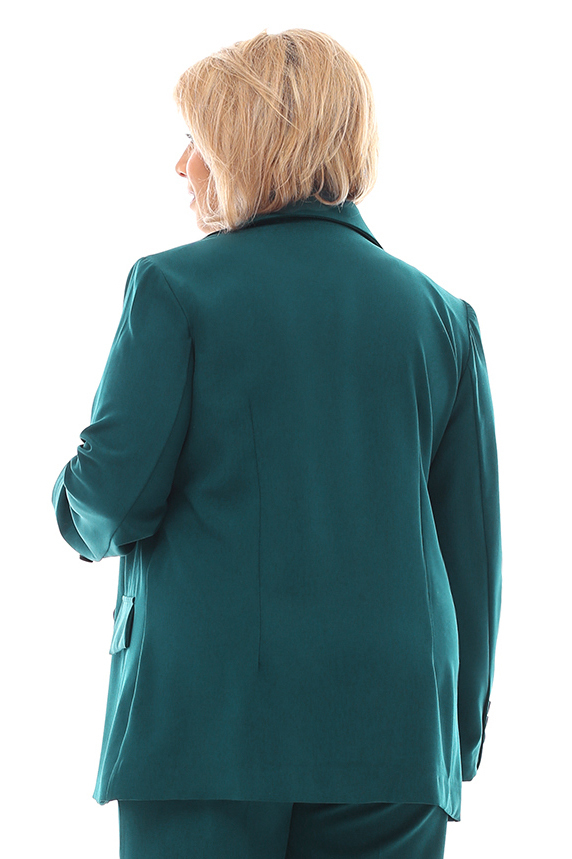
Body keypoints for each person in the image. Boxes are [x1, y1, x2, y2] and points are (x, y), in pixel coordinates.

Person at [51, 27, 502, 859]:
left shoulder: (173, 288)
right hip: (398, 738)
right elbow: (470, 553)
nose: (181, 164)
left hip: (207, 730)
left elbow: (114, 496)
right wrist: (457, 738)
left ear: (245, 144)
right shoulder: (442, 318)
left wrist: (66, 503)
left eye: (196, 138)